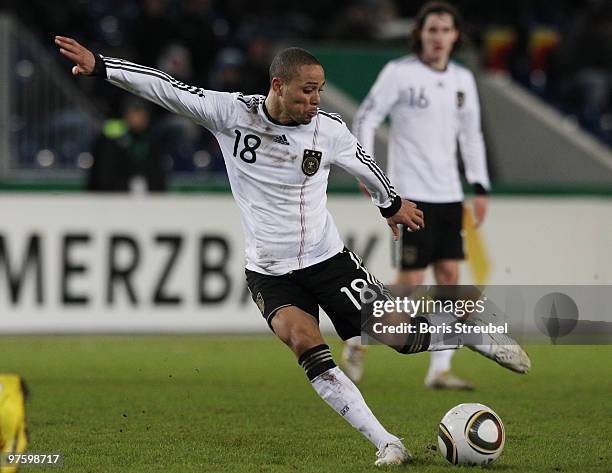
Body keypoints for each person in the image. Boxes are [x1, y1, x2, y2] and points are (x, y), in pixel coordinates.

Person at [55, 35, 528, 466]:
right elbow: (166, 88)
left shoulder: (328, 130)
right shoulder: (231, 113)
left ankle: (469, 334)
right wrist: (101, 66)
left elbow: (363, 162)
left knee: (401, 340)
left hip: (328, 261)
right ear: (277, 86)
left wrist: (389, 204)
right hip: (268, 270)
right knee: (305, 343)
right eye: (307, 90)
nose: (315, 100)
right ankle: (388, 442)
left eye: (319, 90)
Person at [347, 1, 491, 390]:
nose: (439, 37)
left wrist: (479, 185)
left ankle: (439, 370)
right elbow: (367, 116)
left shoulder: (463, 79)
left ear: (456, 36)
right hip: (410, 195)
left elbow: (471, 135)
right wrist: (366, 167)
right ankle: (359, 337)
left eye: (446, 30)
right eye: (432, 30)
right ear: (420, 34)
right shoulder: (399, 73)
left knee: (448, 279)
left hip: (449, 194)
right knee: (410, 280)